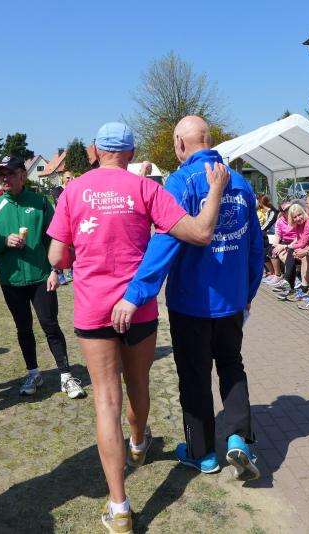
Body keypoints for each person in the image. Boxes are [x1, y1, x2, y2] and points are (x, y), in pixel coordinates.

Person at [47, 121, 230, 533]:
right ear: (131, 153)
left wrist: (80, 250)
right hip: (139, 307)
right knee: (138, 385)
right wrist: (215, 190)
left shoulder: (73, 190)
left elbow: (57, 257)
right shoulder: (146, 188)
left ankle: (119, 507)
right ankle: (138, 442)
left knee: (106, 402)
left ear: (96, 151)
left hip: (93, 309)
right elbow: (200, 232)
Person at [111, 116, 262, 485]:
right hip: (231, 302)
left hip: (191, 302)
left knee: (194, 376)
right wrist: (247, 293)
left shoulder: (181, 182)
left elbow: (165, 241)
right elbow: (256, 247)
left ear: (180, 144)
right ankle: (239, 438)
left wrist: (136, 293)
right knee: (231, 365)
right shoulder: (239, 182)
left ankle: (202, 453)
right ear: (210, 139)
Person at [0, 156, 84, 399]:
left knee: (50, 325)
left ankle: (66, 376)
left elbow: (56, 239)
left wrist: (56, 270)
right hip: (11, 280)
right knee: (23, 328)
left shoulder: (40, 203)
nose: (3, 178)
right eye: (0, 174)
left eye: (9, 173)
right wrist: (4, 242)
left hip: (41, 277)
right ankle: (33, 373)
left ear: (22, 175)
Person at [273, 202, 309, 296]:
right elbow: (299, 239)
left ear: (303, 212)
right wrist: (288, 247)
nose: (298, 218)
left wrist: (285, 246)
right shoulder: (298, 225)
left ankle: (291, 284)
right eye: (295, 217)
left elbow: (303, 243)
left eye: (299, 215)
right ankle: (289, 285)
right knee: (291, 251)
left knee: (295, 252)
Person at [259, 195, 280, 283]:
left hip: (275, 236)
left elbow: (266, 225)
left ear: (261, 203)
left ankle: (277, 274)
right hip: (269, 235)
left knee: (266, 250)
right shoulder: (268, 212)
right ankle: (271, 272)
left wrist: (257, 232)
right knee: (262, 252)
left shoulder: (273, 212)